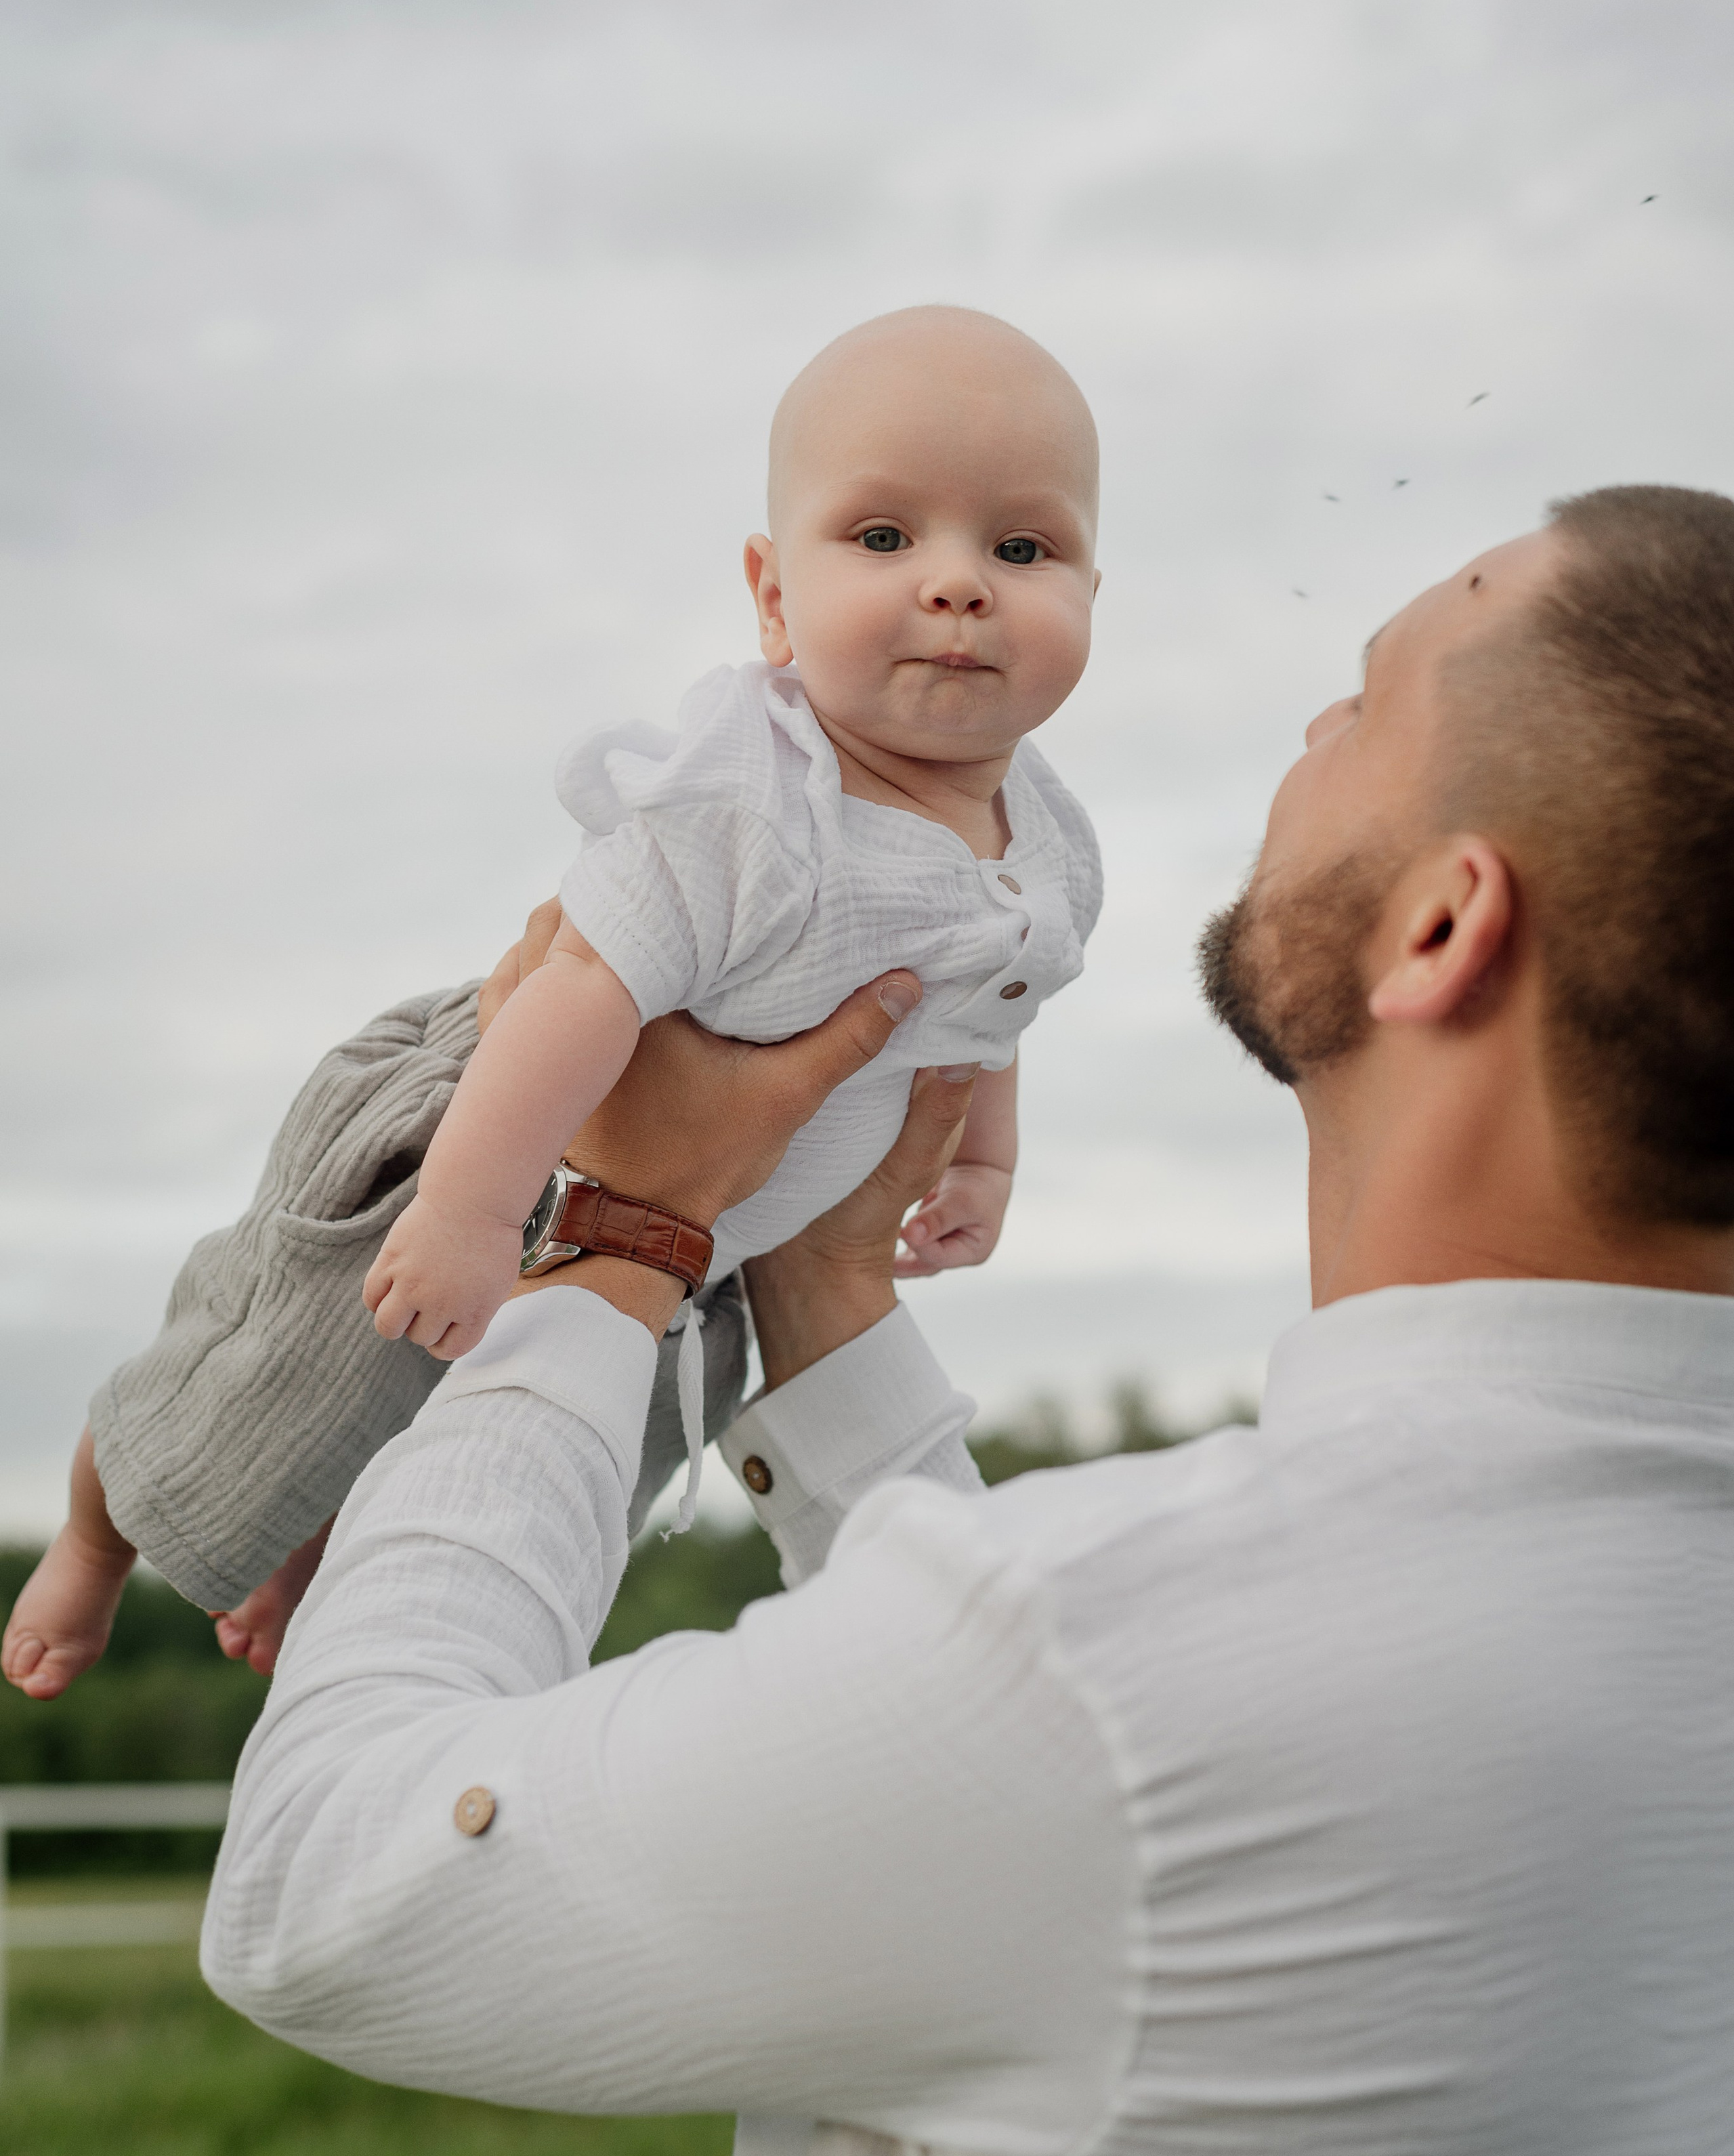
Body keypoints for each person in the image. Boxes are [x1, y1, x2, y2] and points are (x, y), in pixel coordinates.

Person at [197, 482, 1734, 2148]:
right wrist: (822, 1274)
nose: (1310, 725)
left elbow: (326, 1888)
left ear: (1439, 928)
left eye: (1363, 701)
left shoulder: (1112, 1679)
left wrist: (630, 1227)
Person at [1, 303, 1103, 1700]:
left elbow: (989, 1009)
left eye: (1022, 549)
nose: (958, 585)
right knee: (273, 1391)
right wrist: (466, 1214)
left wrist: (983, 1164)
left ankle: (321, 1553)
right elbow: (580, 984)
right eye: (884, 537)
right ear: (772, 596)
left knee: (567, 1467)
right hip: (498, 1143)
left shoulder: (1047, 845)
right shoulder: (745, 799)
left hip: (697, 1252)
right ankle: (97, 1536)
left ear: (1093, 592)